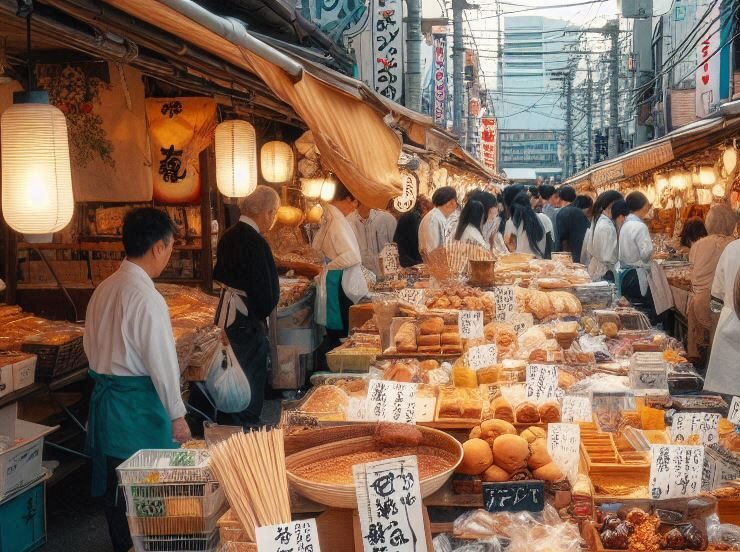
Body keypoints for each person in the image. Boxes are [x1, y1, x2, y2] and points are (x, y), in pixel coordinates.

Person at [84, 208, 191, 552]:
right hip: (138, 411)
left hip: (108, 405)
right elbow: (163, 363)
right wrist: (178, 415)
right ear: (158, 247)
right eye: (171, 247)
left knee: (118, 493)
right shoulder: (147, 298)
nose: (169, 255)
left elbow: (90, 346)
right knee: (146, 493)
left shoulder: (104, 288)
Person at [212, 186, 281, 426]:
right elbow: (265, 292)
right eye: (273, 213)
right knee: (249, 369)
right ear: (266, 212)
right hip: (246, 318)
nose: (272, 219)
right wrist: (262, 313)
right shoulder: (256, 242)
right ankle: (247, 420)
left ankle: (232, 417)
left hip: (229, 316)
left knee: (231, 367)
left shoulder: (228, 236)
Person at [313, 182, 368, 370]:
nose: (354, 208)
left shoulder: (332, 217)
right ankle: (340, 370)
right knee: (341, 333)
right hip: (339, 286)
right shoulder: (335, 219)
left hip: (338, 282)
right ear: (346, 198)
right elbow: (352, 256)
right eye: (354, 203)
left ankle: (338, 368)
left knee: (339, 332)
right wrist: (328, 267)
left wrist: (327, 266)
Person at [686, 205, 736, 359]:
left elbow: (693, 276)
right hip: (726, 305)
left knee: (697, 352)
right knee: (718, 353)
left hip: (700, 303)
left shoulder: (699, 244)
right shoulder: (734, 245)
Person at [705, 231, 740, 398]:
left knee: (730, 393)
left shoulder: (732, 248)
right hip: (731, 317)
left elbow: (716, 293)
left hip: (729, 320)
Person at [617, 191, 655, 317]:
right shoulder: (639, 226)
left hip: (625, 275)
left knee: (630, 310)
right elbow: (646, 253)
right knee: (641, 311)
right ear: (644, 206)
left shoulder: (625, 224)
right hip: (636, 276)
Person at [347, 204, 398, 276]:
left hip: (388, 278)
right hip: (362, 280)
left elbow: (397, 249)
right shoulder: (348, 222)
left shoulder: (387, 219)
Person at [585, 190, 623, 281]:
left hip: (596, 268)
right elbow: (608, 258)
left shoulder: (598, 219)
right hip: (605, 272)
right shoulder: (607, 226)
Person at [504, 192, 552, 258]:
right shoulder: (542, 218)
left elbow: (509, 245)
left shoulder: (512, 222)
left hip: (521, 263)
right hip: (539, 262)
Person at [555, 185, 590, 263]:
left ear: (560, 198)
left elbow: (562, 237)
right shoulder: (580, 212)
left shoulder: (562, 213)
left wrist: (564, 258)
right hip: (582, 254)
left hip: (568, 257)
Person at [418, 186, 458, 255]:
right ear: (451, 203)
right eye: (455, 201)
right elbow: (432, 251)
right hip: (435, 264)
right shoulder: (433, 219)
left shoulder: (438, 217)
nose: (456, 205)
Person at [394, 196, 431, 267]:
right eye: (430, 210)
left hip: (405, 258)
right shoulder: (413, 217)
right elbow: (416, 242)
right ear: (424, 207)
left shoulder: (411, 216)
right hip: (409, 261)